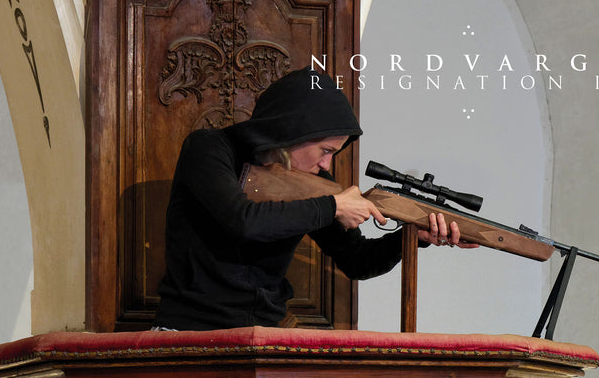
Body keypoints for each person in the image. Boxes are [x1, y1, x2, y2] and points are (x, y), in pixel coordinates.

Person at [153, 66, 465, 330]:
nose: (327, 165)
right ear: (292, 132)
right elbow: (243, 221)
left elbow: (357, 261)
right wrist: (333, 206)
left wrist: (411, 237)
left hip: (264, 336)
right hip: (188, 331)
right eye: (325, 150)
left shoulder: (314, 184)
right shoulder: (209, 148)